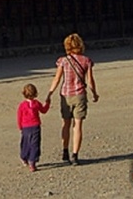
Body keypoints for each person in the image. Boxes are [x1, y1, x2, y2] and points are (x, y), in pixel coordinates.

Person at [47, 33, 99, 166]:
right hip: (80, 95)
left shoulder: (63, 61)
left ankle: (65, 150)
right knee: (78, 126)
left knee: (66, 124)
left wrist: (49, 93)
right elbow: (90, 81)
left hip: (65, 95)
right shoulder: (86, 60)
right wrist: (94, 93)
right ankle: (75, 155)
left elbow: (57, 79)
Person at [17, 83, 50, 172]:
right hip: (35, 126)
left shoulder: (22, 105)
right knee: (35, 144)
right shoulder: (36, 103)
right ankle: (32, 160)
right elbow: (44, 110)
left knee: (25, 143)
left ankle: (24, 157)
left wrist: (20, 126)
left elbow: (19, 116)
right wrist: (47, 103)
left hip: (25, 127)